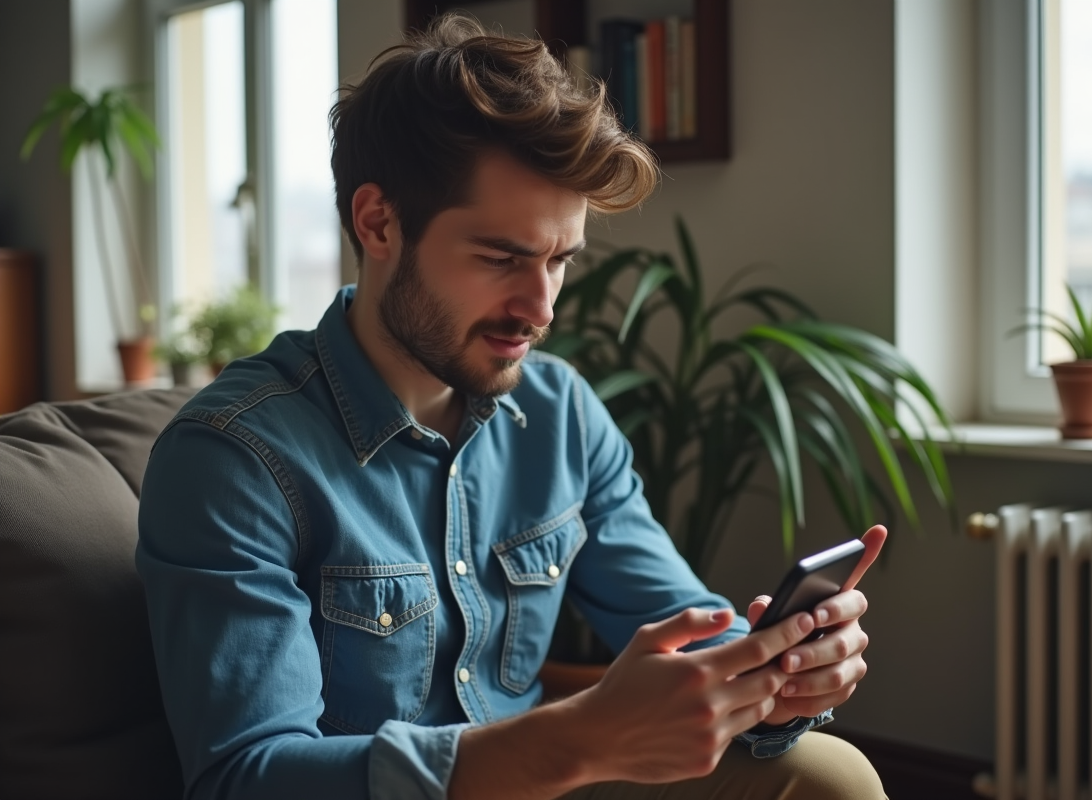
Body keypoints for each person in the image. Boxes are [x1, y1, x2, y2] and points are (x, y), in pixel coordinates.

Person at [137, 14, 887, 800]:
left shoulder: (559, 411)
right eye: (501, 258)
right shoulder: (234, 456)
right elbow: (246, 778)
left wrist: (777, 674)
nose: (540, 307)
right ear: (378, 222)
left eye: (560, 260)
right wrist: (568, 743)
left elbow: (686, 620)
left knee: (829, 777)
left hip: (555, 776)